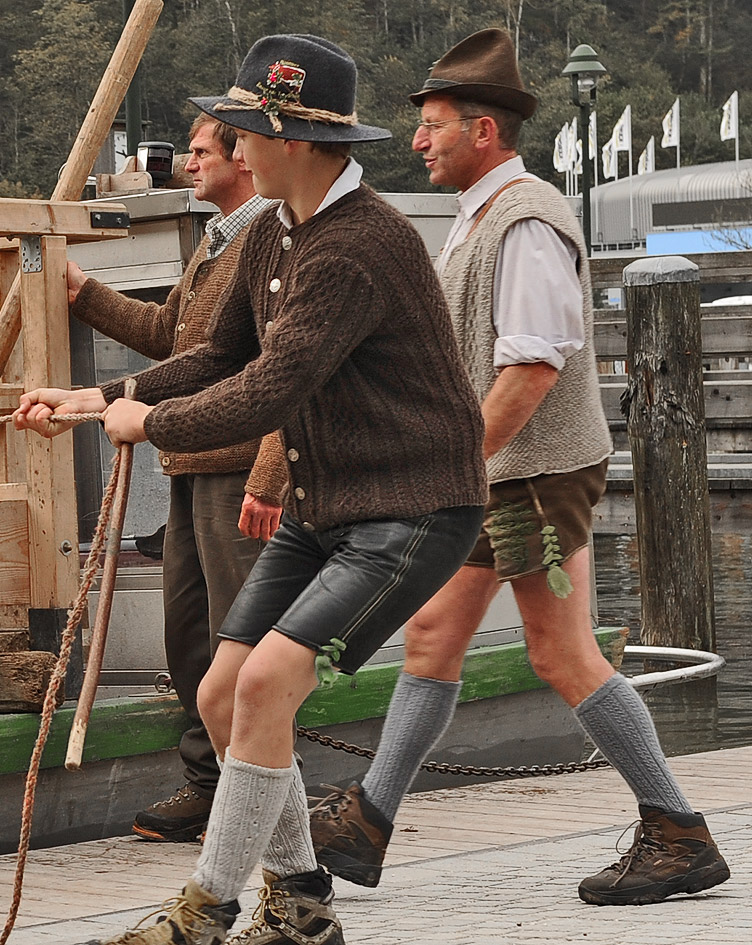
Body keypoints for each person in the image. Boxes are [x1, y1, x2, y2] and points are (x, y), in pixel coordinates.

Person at [18, 34, 488, 945]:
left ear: (297, 141)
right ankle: (303, 903)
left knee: (266, 682)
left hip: (416, 508)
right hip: (330, 508)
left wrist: (149, 425)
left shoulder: (360, 247)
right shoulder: (277, 226)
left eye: (244, 132)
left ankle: (205, 910)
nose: (232, 148)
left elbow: (272, 388)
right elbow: (217, 353)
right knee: (222, 693)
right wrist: (97, 398)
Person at [308, 27, 732, 906]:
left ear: (484, 131)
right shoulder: (485, 214)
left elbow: (532, 370)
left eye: (433, 125)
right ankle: (368, 822)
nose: (418, 140)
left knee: (559, 650)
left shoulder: (526, 219)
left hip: (530, 473)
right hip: (500, 473)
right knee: (433, 636)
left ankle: (677, 830)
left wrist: (444, 465)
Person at [66, 112, 287, 844]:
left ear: (241, 161)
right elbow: (173, 340)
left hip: (238, 473)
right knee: (188, 637)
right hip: (191, 465)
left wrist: (269, 474)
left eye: (200, 153)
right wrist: (82, 293)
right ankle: (211, 783)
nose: (188, 166)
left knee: (242, 640)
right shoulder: (216, 242)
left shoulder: (268, 238)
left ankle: (255, 796)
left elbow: (273, 370)